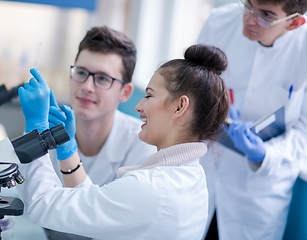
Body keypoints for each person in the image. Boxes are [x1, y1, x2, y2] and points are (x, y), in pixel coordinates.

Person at [16, 43, 230, 240]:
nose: (139, 106)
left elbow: (44, 205)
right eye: (81, 73)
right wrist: (68, 151)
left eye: (149, 95)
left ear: (179, 107)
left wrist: (36, 129)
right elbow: (95, 204)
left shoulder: (153, 189)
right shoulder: (191, 176)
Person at [197, 0, 307, 239]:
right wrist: (211, 106)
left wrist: (264, 155)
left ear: (294, 23)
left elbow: (303, 133)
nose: (248, 18)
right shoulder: (219, 22)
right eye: (248, 5)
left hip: (257, 196)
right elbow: (192, 85)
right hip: (203, 170)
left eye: (266, 15)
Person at [46, 26, 156, 239]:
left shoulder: (142, 147)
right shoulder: (48, 130)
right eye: (81, 73)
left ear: (125, 92)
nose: (87, 86)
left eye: (103, 79)